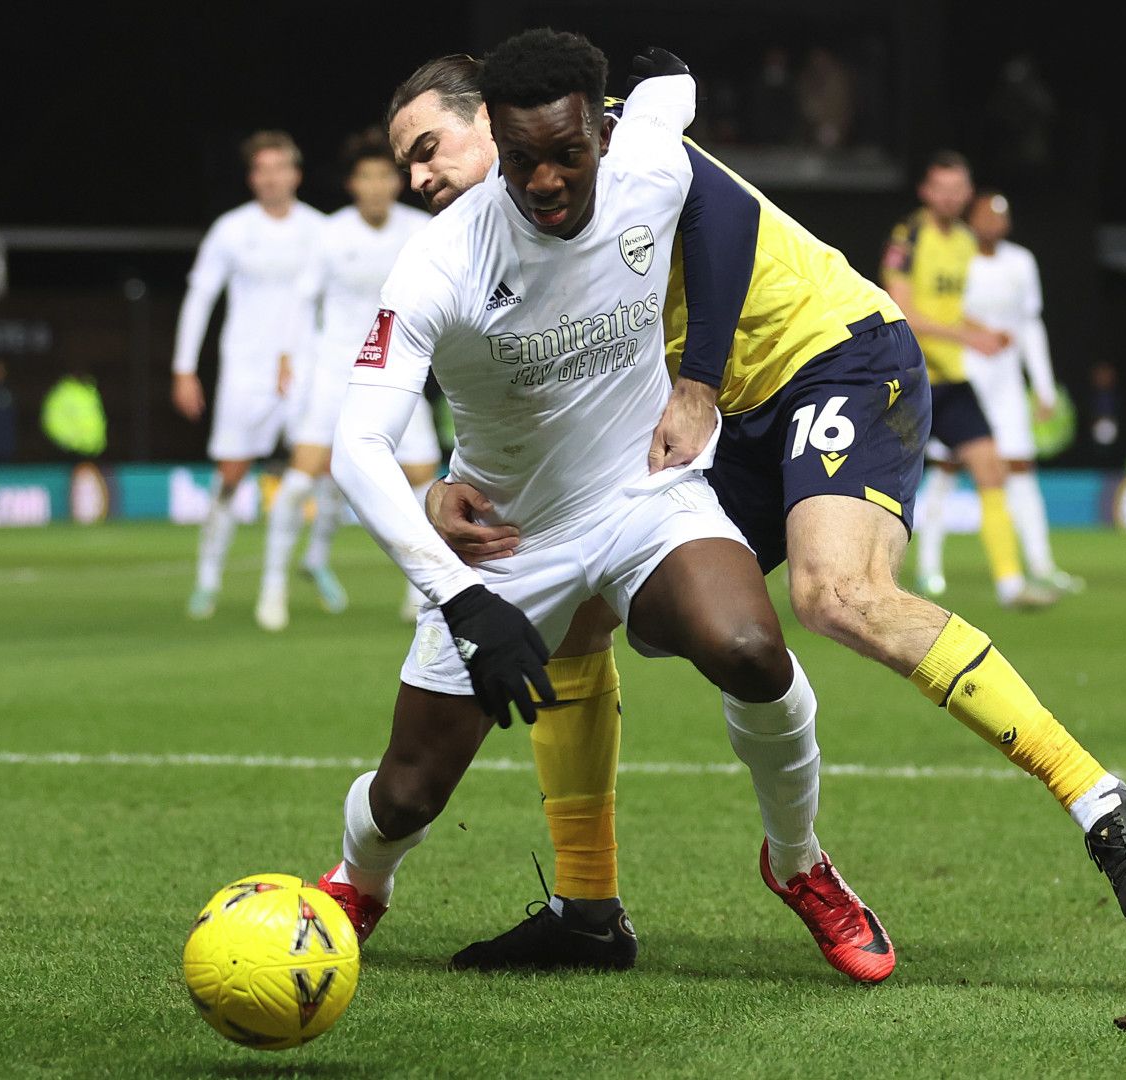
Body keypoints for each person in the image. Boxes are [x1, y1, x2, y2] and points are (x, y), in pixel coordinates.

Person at [399, 49, 1126, 970]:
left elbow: (720, 209)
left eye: (431, 148)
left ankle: (1102, 801)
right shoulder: (495, 235)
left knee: (835, 592)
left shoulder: (602, 138)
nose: (421, 178)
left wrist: (695, 382)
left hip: (830, 355)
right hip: (721, 417)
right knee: (578, 612)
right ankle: (587, 910)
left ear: (494, 118)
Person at [322, 32, 895, 985]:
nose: (546, 180)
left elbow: (674, 91)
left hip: (643, 500)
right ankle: (358, 884)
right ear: (496, 142)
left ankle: (798, 864)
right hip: (512, 535)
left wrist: (702, 377)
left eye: (568, 153)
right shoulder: (436, 267)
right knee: (410, 794)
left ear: (603, 130)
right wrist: (463, 596)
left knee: (754, 651)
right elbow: (356, 446)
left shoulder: (648, 163)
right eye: (522, 161)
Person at [256, 135, 436, 632]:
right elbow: (301, 302)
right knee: (299, 480)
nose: (375, 186)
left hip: (400, 369)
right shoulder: (330, 234)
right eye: (366, 177)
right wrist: (288, 359)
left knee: (423, 478)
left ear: (397, 182)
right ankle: (272, 588)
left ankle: (421, 591)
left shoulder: (420, 230)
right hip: (336, 372)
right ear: (352, 184)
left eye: (384, 176)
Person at [881, 153, 1056, 608]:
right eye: (942, 188)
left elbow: (950, 309)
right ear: (925, 191)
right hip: (907, 376)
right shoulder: (909, 237)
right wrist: (968, 337)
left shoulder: (962, 240)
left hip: (951, 381)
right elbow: (903, 312)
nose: (951, 197)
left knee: (990, 467)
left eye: (959, 188)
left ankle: (1010, 585)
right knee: (879, 480)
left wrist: (979, 330)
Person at [172, 131, 325, 622]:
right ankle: (207, 578)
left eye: (280, 167)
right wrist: (183, 368)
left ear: (296, 174)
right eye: (262, 168)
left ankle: (310, 562)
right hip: (245, 369)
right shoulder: (232, 230)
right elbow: (200, 297)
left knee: (322, 471)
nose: (271, 177)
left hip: (306, 367)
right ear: (252, 177)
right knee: (232, 474)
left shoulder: (322, 230)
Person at [914, 189, 1078, 595]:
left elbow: (1030, 324)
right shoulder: (958, 254)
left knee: (1019, 466)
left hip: (1004, 378)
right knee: (946, 470)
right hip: (960, 372)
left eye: (1001, 217)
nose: (994, 224)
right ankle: (929, 565)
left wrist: (1042, 385)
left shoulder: (1021, 262)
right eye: (987, 216)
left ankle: (1040, 562)